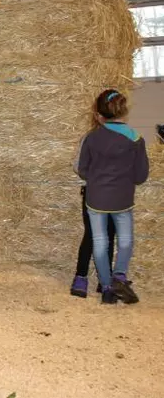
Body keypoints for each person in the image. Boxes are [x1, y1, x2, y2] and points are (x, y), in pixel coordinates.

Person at [76, 89, 149, 304]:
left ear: (99, 114)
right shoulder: (136, 138)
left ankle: (107, 287)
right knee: (126, 240)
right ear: (124, 111)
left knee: (100, 242)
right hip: (123, 199)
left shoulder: (91, 137)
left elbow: (82, 169)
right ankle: (120, 275)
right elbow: (141, 175)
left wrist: (97, 180)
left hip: (96, 198)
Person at [70, 110, 116, 298]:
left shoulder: (126, 140)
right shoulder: (89, 138)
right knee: (91, 234)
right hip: (94, 192)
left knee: (110, 234)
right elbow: (79, 166)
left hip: (116, 194)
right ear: (97, 116)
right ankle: (81, 276)